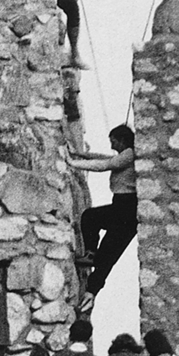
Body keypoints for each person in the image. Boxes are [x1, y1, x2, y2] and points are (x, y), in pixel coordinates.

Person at [68, 124, 137, 313]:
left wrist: (72, 164)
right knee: (92, 222)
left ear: (121, 140)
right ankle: (91, 257)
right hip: (122, 208)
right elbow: (104, 158)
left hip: (127, 209)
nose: (111, 143)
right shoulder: (126, 156)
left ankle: (91, 292)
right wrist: (79, 154)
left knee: (106, 254)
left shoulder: (130, 153)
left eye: (113, 139)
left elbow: (105, 165)